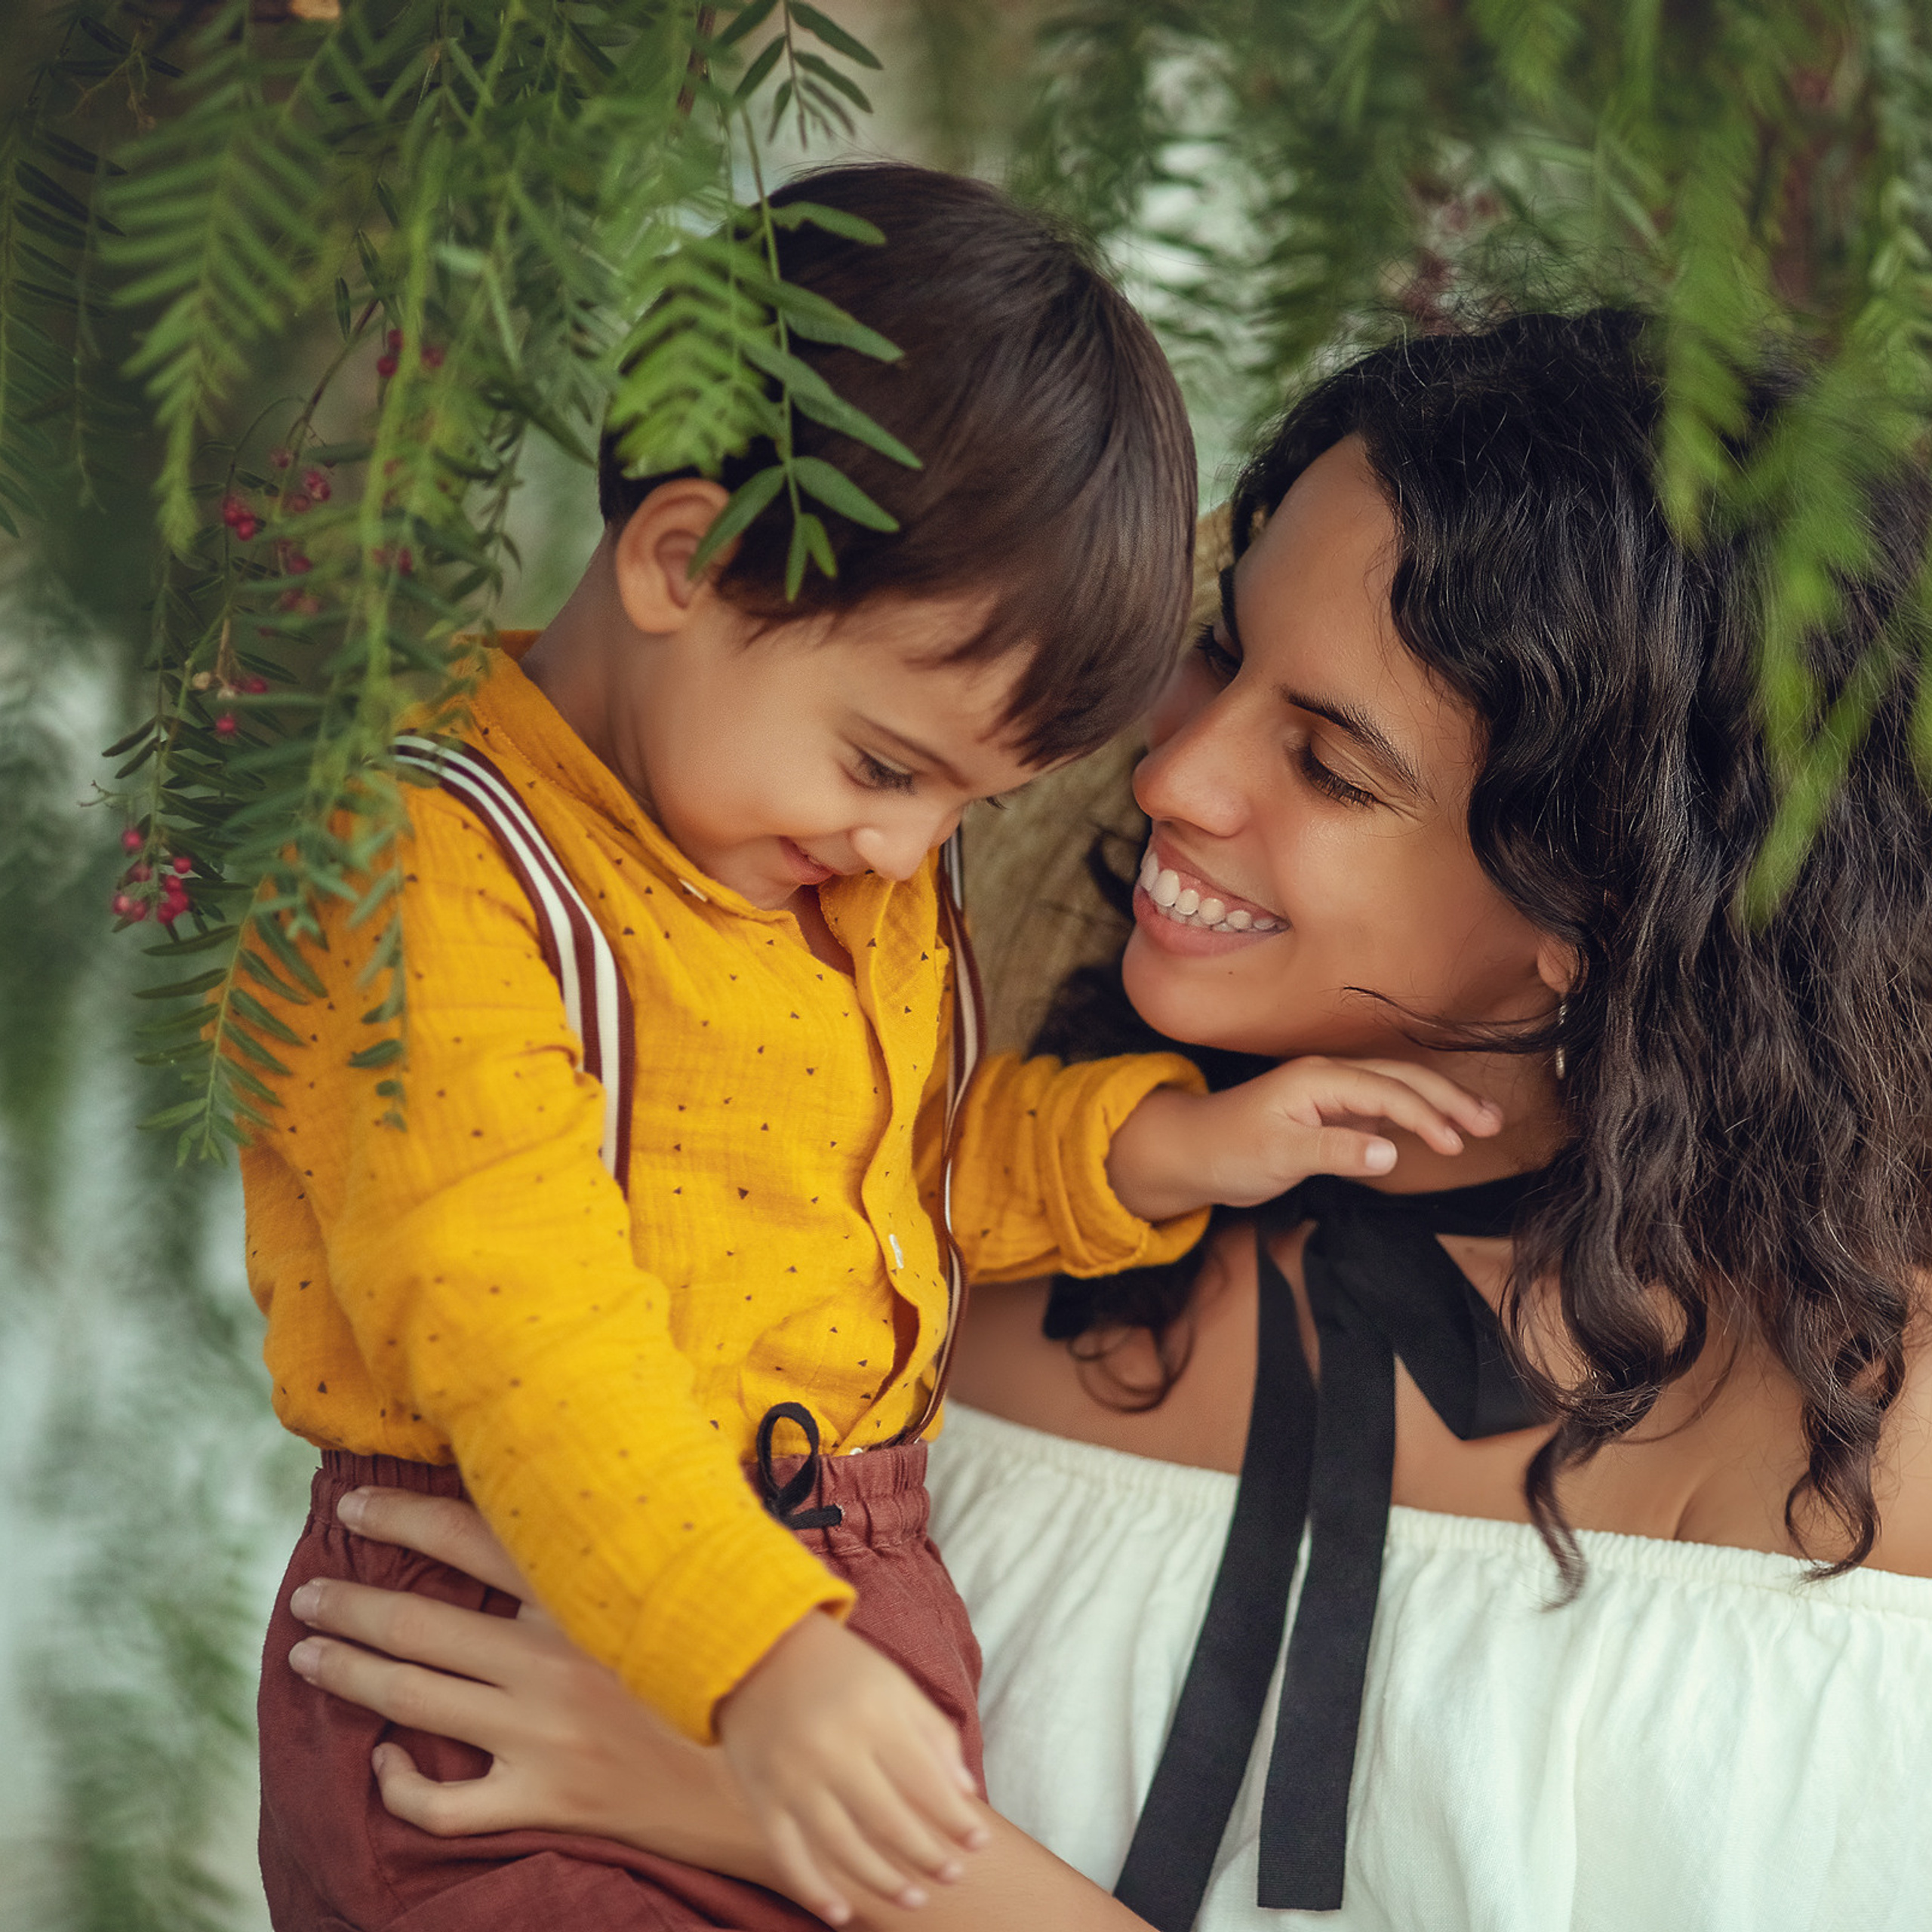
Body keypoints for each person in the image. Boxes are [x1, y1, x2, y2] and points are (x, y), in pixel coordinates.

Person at [277, 310, 1932, 1930]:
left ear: (1599, 909)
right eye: (1218, 649)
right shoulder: (913, 1257)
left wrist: (822, 1828)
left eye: (1330, 765)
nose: (1173, 776)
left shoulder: (1862, 1461)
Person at [244, 160, 1508, 1932]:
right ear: (682, 558)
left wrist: (1160, 1149)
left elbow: (861, 1188)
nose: (908, 852)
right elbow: (513, 1319)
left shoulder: (809, 854)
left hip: (836, 1605)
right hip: (534, 1634)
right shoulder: (423, 868)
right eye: (885, 765)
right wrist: (758, 1653)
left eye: (964, 803)